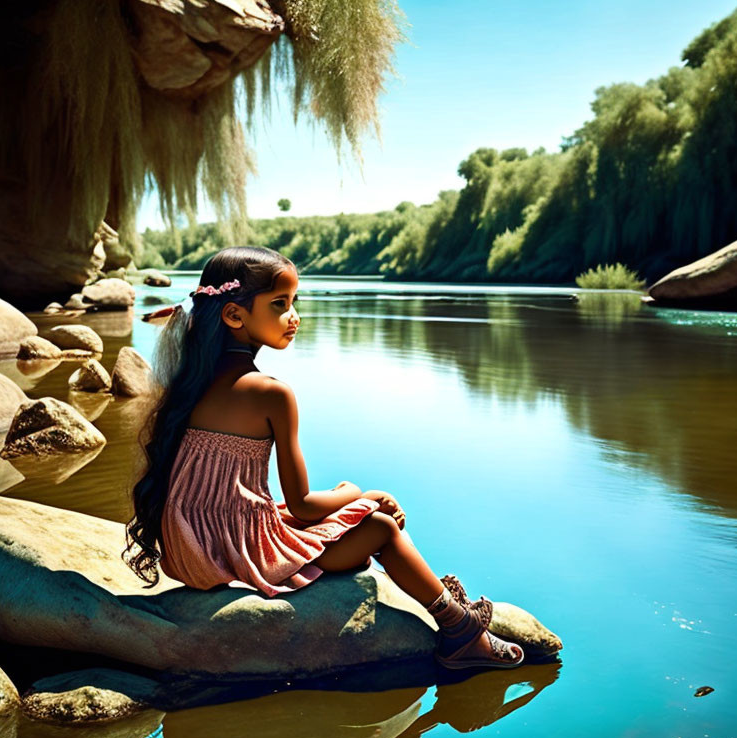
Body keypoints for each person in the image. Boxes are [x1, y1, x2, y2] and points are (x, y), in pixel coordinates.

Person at [123, 246, 524, 670]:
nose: (293, 316)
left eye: (294, 302)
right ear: (234, 316)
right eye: (280, 304)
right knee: (381, 527)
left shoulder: (186, 382)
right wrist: (357, 494)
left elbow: (228, 496)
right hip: (237, 553)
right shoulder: (271, 393)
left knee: (335, 519)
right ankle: (460, 631)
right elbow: (302, 505)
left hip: (191, 551)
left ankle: (449, 617)